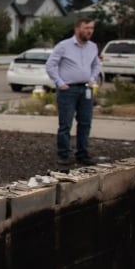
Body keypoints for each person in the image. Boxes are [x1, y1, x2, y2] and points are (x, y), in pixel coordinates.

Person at [45, 17, 101, 166]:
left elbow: (96, 64)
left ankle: (82, 154)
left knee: (85, 122)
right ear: (77, 29)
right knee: (65, 124)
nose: (89, 31)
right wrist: (59, 82)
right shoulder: (64, 46)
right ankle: (64, 155)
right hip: (68, 90)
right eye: (86, 28)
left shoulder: (92, 47)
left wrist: (92, 78)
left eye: (91, 28)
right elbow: (50, 65)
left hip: (86, 89)